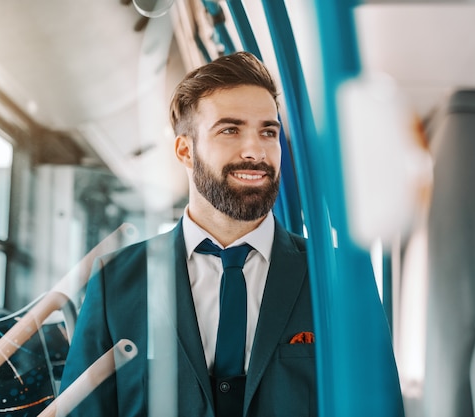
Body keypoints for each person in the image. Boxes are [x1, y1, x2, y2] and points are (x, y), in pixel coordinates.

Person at [58, 52, 398, 416]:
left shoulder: (339, 275)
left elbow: (379, 406)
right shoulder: (116, 281)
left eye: (268, 132)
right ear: (185, 150)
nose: (255, 150)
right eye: (230, 130)